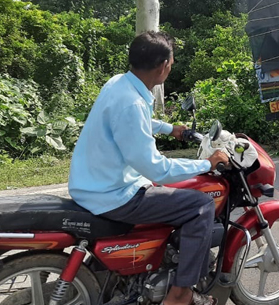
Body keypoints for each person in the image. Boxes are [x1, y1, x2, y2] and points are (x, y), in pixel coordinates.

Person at [68, 31, 229, 305]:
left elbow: (133, 121)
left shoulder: (119, 84)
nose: (172, 64)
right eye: (172, 60)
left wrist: (170, 128)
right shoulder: (131, 102)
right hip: (113, 194)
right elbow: (157, 169)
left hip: (90, 184)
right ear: (163, 65)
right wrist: (206, 163)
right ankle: (181, 294)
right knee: (200, 206)